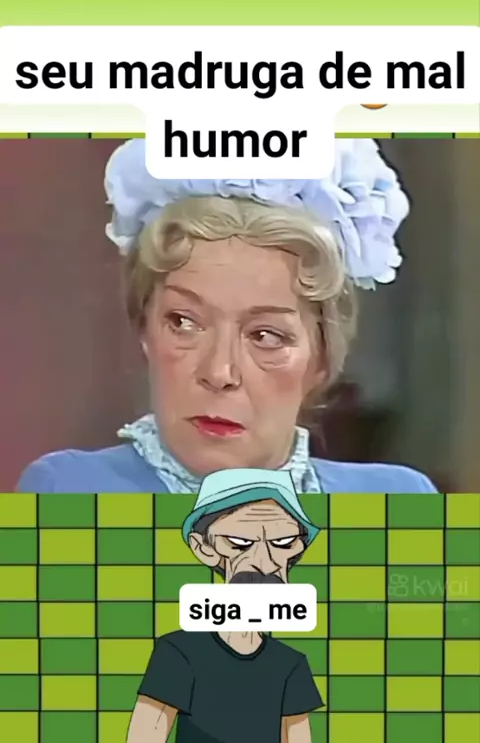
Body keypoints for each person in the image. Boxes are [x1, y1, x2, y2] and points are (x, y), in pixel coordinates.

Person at [17, 138, 437, 493]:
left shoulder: (397, 501)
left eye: (266, 336)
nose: (219, 373)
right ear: (145, 329)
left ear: (322, 359)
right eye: (184, 323)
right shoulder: (70, 490)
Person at [127, 468, 323, 743]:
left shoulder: (290, 664)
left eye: (283, 543)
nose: (265, 563)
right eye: (240, 543)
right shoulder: (178, 652)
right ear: (203, 548)